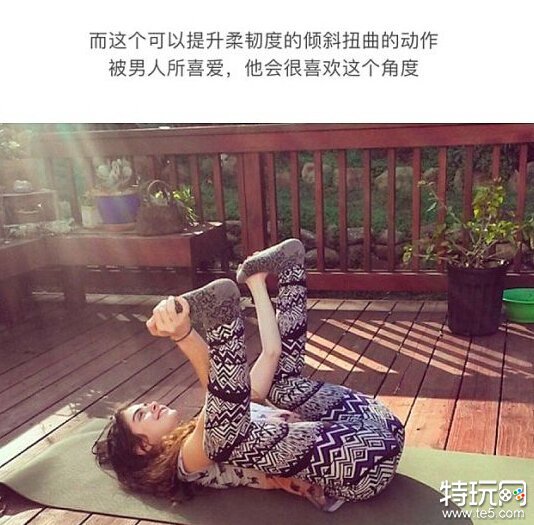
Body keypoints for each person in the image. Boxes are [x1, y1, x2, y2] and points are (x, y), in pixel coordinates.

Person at [93, 239, 404, 512]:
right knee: (223, 436)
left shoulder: (225, 415)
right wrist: (184, 335)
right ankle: (222, 322)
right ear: (143, 447)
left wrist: (256, 284)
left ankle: (291, 271)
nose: (151, 405)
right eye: (142, 415)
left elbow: (271, 353)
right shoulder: (185, 463)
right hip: (362, 468)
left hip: (382, 426)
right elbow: (219, 402)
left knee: (279, 385)